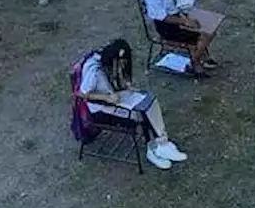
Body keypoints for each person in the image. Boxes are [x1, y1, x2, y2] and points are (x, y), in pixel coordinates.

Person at [77, 39, 188, 170]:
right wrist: (106, 97)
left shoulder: (112, 60)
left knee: (150, 102)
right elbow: (82, 93)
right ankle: (153, 150)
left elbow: (118, 76)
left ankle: (162, 143)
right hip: (101, 108)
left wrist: (126, 86)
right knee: (141, 114)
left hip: (117, 97)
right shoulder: (94, 69)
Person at [140, 0, 223, 76]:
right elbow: (161, 16)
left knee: (212, 24)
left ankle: (200, 54)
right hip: (168, 25)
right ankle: (194, 61)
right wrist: (185, 22)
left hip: (179, 14)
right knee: (206, 34)